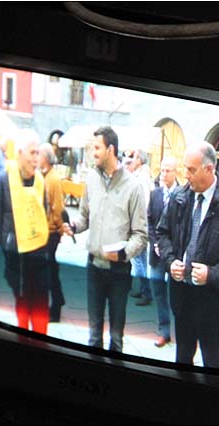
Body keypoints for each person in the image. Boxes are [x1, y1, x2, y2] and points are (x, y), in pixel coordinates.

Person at [156, 141, 219, 368]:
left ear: (209, 169)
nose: (185, 175)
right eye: (185, 168)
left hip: (214, 303)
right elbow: (162, 233)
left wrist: (212, 274)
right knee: (182, 361)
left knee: (213, 366)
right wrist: (170, 262)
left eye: (191, 170)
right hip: (183, 297)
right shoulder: (179, 197)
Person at [62, 126, 148, 352]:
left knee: (116, 338)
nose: (93, 153)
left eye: (97, 148)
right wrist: (74, 226)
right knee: (93, 335)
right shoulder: (91, 178)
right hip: (93, 267)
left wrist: (124, 253)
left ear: (111, 149)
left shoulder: (133, 186)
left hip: (119, 272)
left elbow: (141, 235)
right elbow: (84, 217)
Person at [0, 128, 51, 334]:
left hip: (39, 254)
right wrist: (8, 245)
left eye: (38, 153)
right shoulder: (3, 180)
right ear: (19, 154)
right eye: (32, 153)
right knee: (23, 304)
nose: (36, 159)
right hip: (17, 257)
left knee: (41, 305)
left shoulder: (40, 180)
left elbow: (44, 212)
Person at [147, 156, 179, 347]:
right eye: (162, 170)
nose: (164, 174)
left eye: (168, 171)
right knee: (158, 292)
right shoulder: (155, 194)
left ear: (176, 172)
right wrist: (155, 244)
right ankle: (164, 331)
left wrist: (171, 248)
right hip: (157, 254)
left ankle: (180, 331)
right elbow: (149, 221)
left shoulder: (183, 194)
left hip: (174, 256)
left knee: (176, 295)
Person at [38, 142, 66, 323]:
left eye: (39, 155)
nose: (37, 158)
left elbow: (57, 208)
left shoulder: (53, 179)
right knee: (50, 269)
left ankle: (56, 307)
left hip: (51, 232)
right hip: (46, 232)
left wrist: (58, 229)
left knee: (49, 271)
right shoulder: (45, 176)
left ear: (46, 158)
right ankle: (57, 302)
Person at [128, 149, 155, 306]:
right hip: (142, 221)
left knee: (137, 258)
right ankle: (143, 289)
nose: (132, 160)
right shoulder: (142, 175)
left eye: (134, 157)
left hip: (139, 222)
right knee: (141, 258)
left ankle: (146, 291)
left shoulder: (141, 178)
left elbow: (143, 202)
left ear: (140, 160)